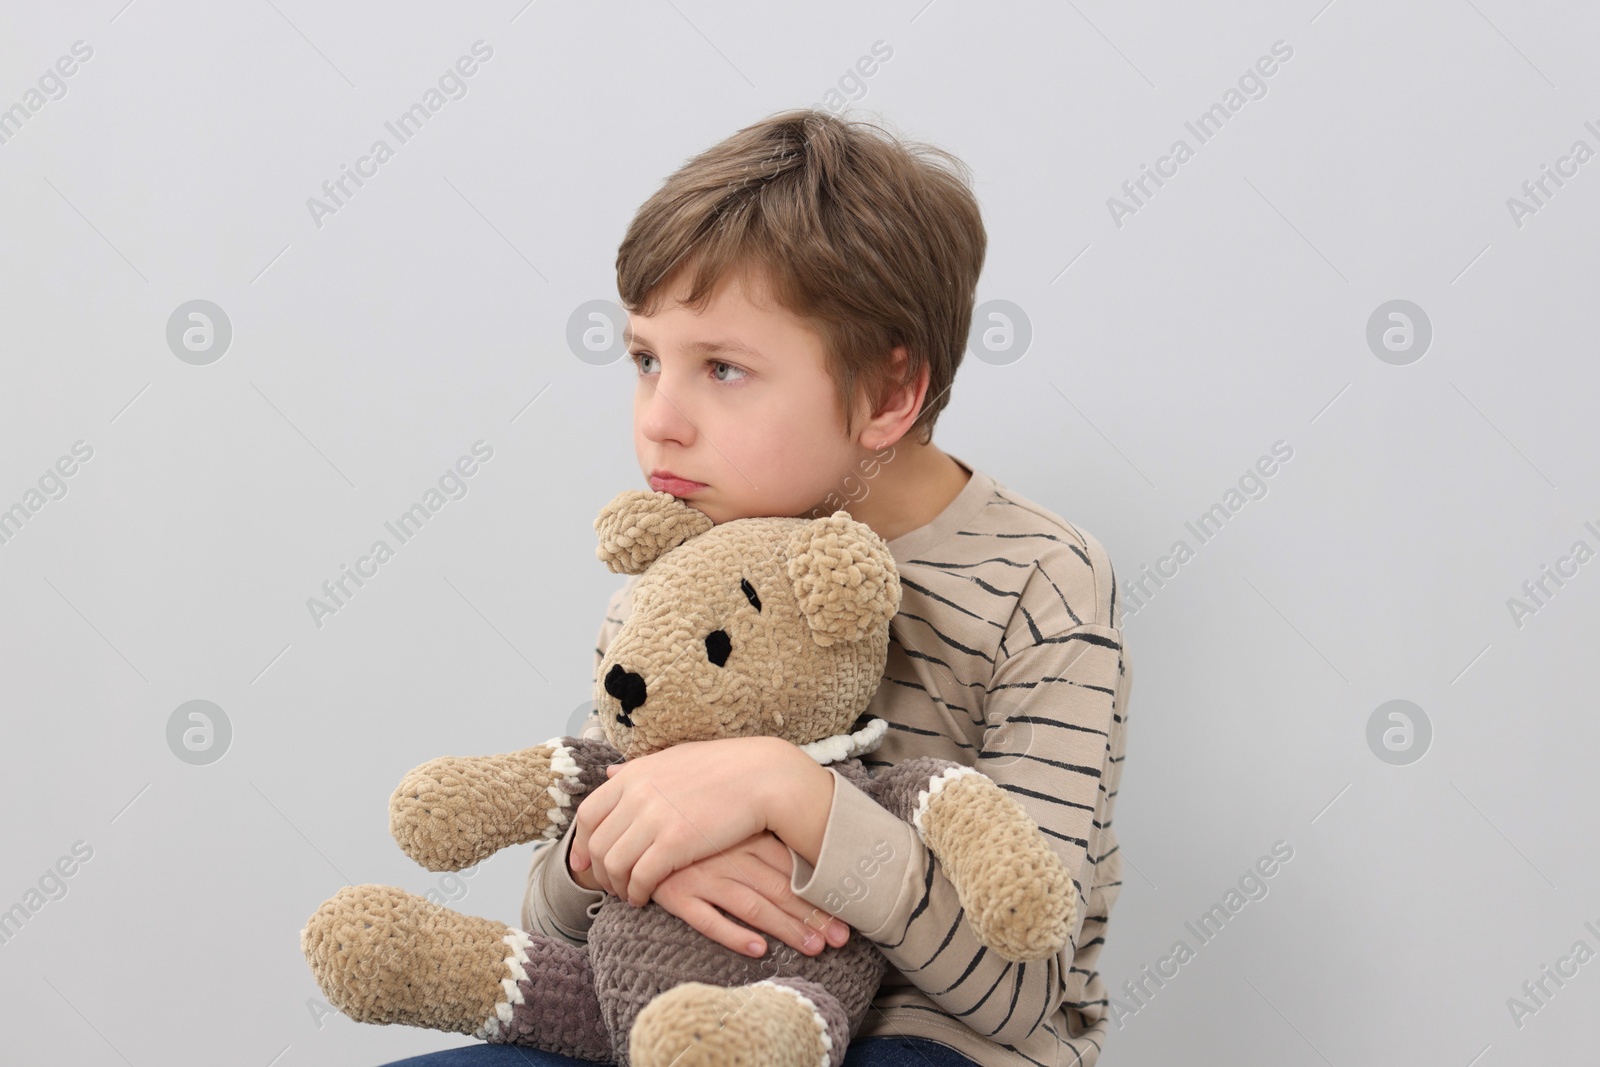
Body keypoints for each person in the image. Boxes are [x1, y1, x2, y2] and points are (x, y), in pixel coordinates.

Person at [380, 107, 1132, 1067]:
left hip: (937, 1041)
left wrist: (792, 798)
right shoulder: (682, 569)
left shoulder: (1040, 579)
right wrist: (611, 851)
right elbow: (561, 919)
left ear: (892, 390)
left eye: (723, 369)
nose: (659, 421)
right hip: (668, 1015)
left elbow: (1028, 985)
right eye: (647, 359)